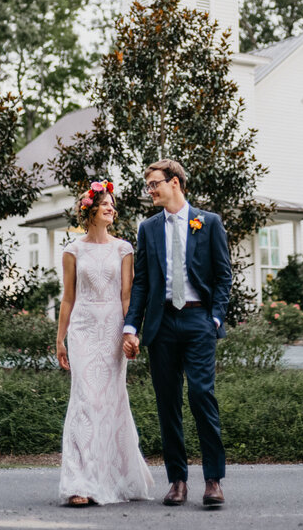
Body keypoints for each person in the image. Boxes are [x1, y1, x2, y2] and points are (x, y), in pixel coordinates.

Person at [122, 160, 232, 508]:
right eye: (149, 185)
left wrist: (215, 319)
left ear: (175, 182)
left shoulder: (208, 222)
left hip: (199, 321)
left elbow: (223, 276)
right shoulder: (148, 228)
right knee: (167, 403)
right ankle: (178, 481)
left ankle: (213, 480)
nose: (150, 190)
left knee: (202, 396)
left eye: (155, 184)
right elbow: (141, 282)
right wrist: (131, 326)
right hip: (162, 324)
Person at [56, 181, 154, 507]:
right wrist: (60, 339)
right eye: (106, 204)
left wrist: (131, 332)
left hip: (113, 329)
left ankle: (113, 477)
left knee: (111, 400)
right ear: (91, 210)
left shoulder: (123, 248)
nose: (112, 208)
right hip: (82, 330)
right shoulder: (73, 250)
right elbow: (68, 298)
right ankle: (79, 482)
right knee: (84, 400)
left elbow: (127, 295)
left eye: (113, 204)